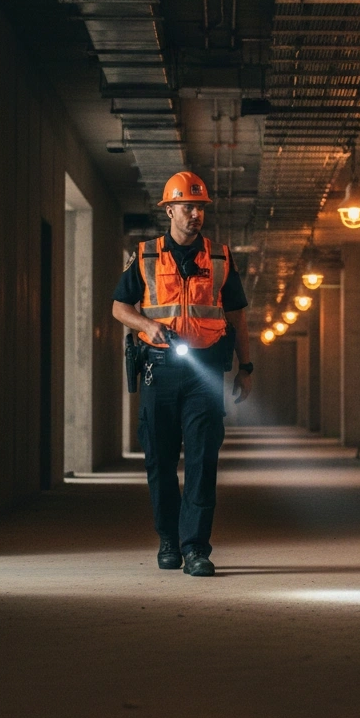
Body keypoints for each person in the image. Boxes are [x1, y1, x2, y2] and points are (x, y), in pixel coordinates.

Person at [112, 171, 252, 577]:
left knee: (203, 459)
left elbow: (238, 318)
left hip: (204, 371)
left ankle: (195, 548)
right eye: (187, 206)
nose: (195, 213)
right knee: (159, 459)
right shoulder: (145, 256)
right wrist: (145, 325)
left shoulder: (221, 258)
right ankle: (169, 541)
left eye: (200, 207)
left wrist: (246, 366)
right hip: (160, 369)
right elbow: (119, 307)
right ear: (169, 210)